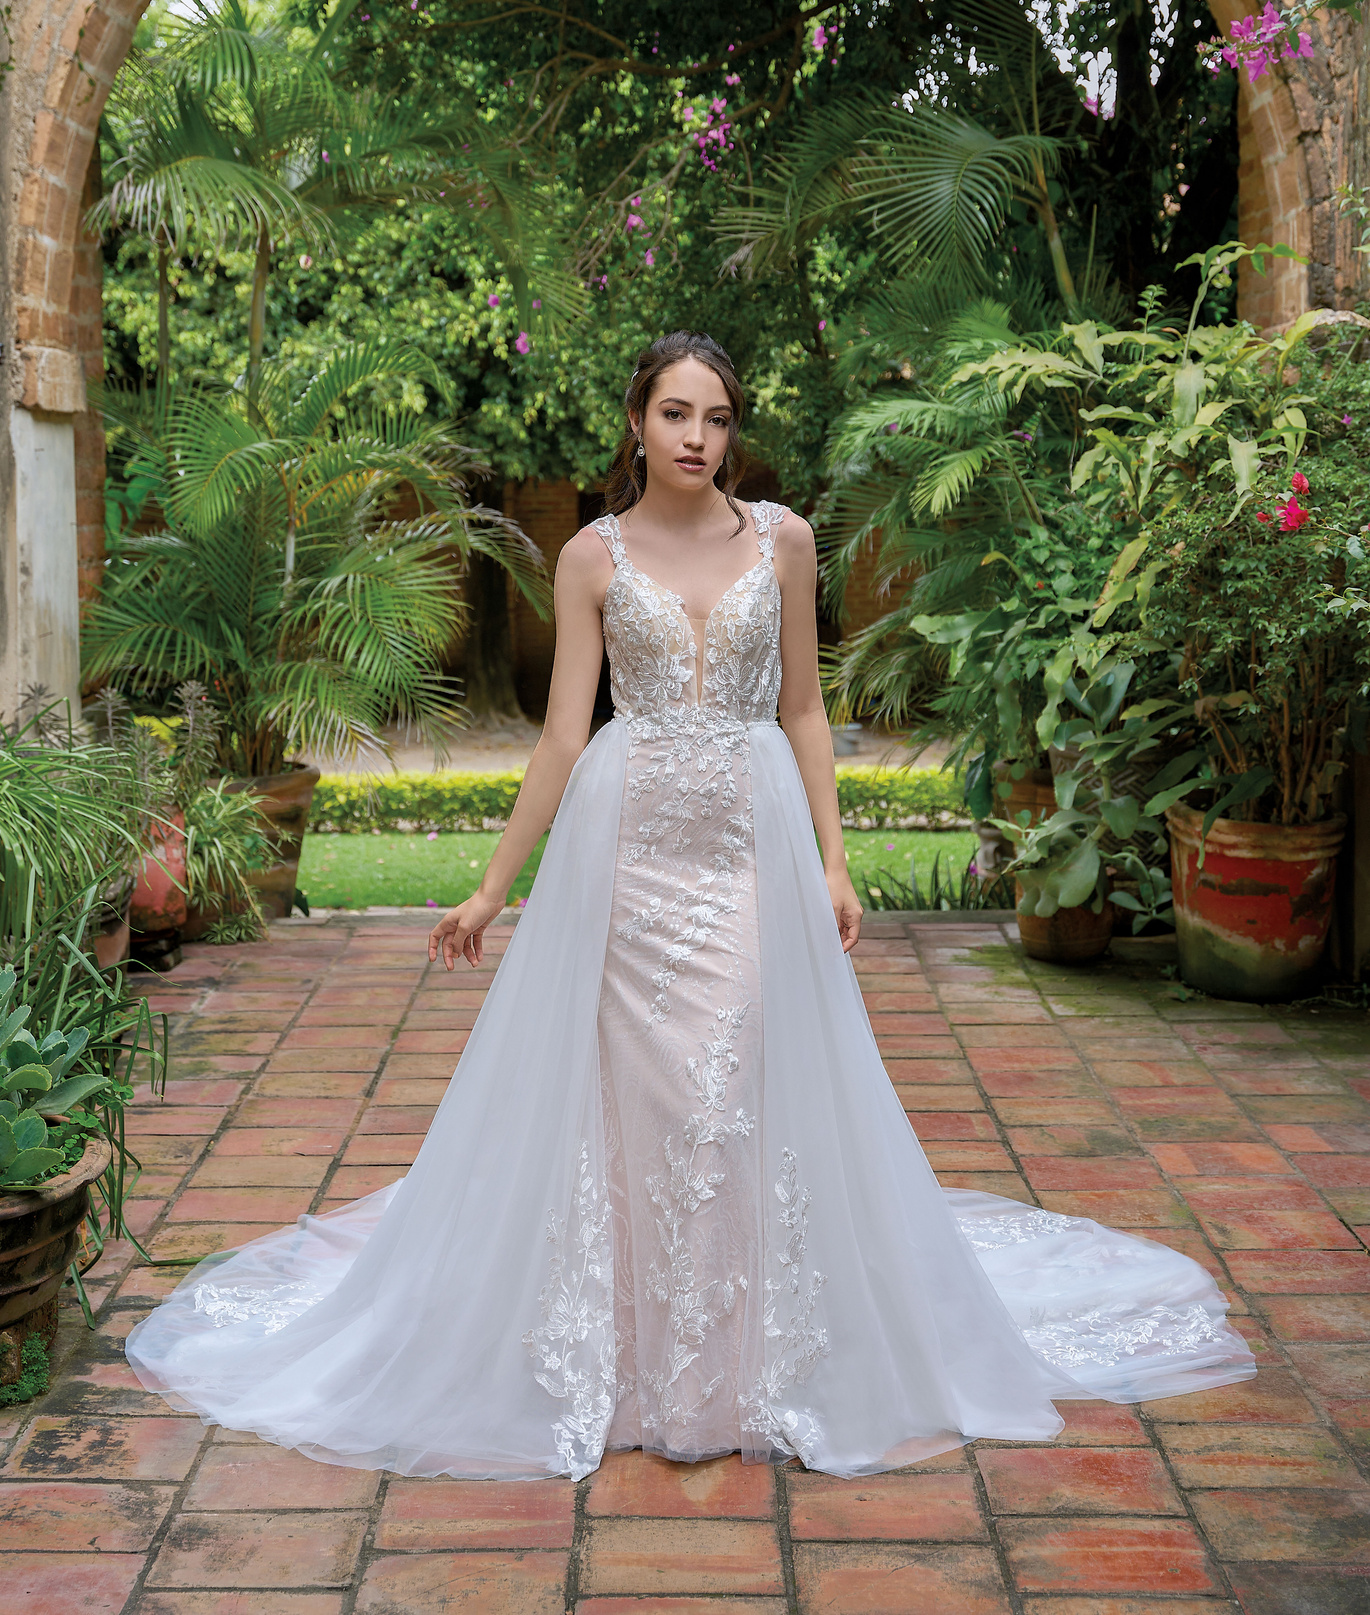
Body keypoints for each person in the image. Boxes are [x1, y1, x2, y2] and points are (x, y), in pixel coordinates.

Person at [125, 330, 1253, 1480]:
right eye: (674, 414)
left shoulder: (783, 540)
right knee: (644, 1097)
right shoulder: (591, 557)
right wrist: (489, 889)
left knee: (732, 1072)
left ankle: (737, 1359)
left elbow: (804, 709)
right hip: (626, 851)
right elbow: (563, 735)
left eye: (715, 418)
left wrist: (833, 860)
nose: (696, 438)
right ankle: (630, 1358)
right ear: (637, 421)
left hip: (750, 843)